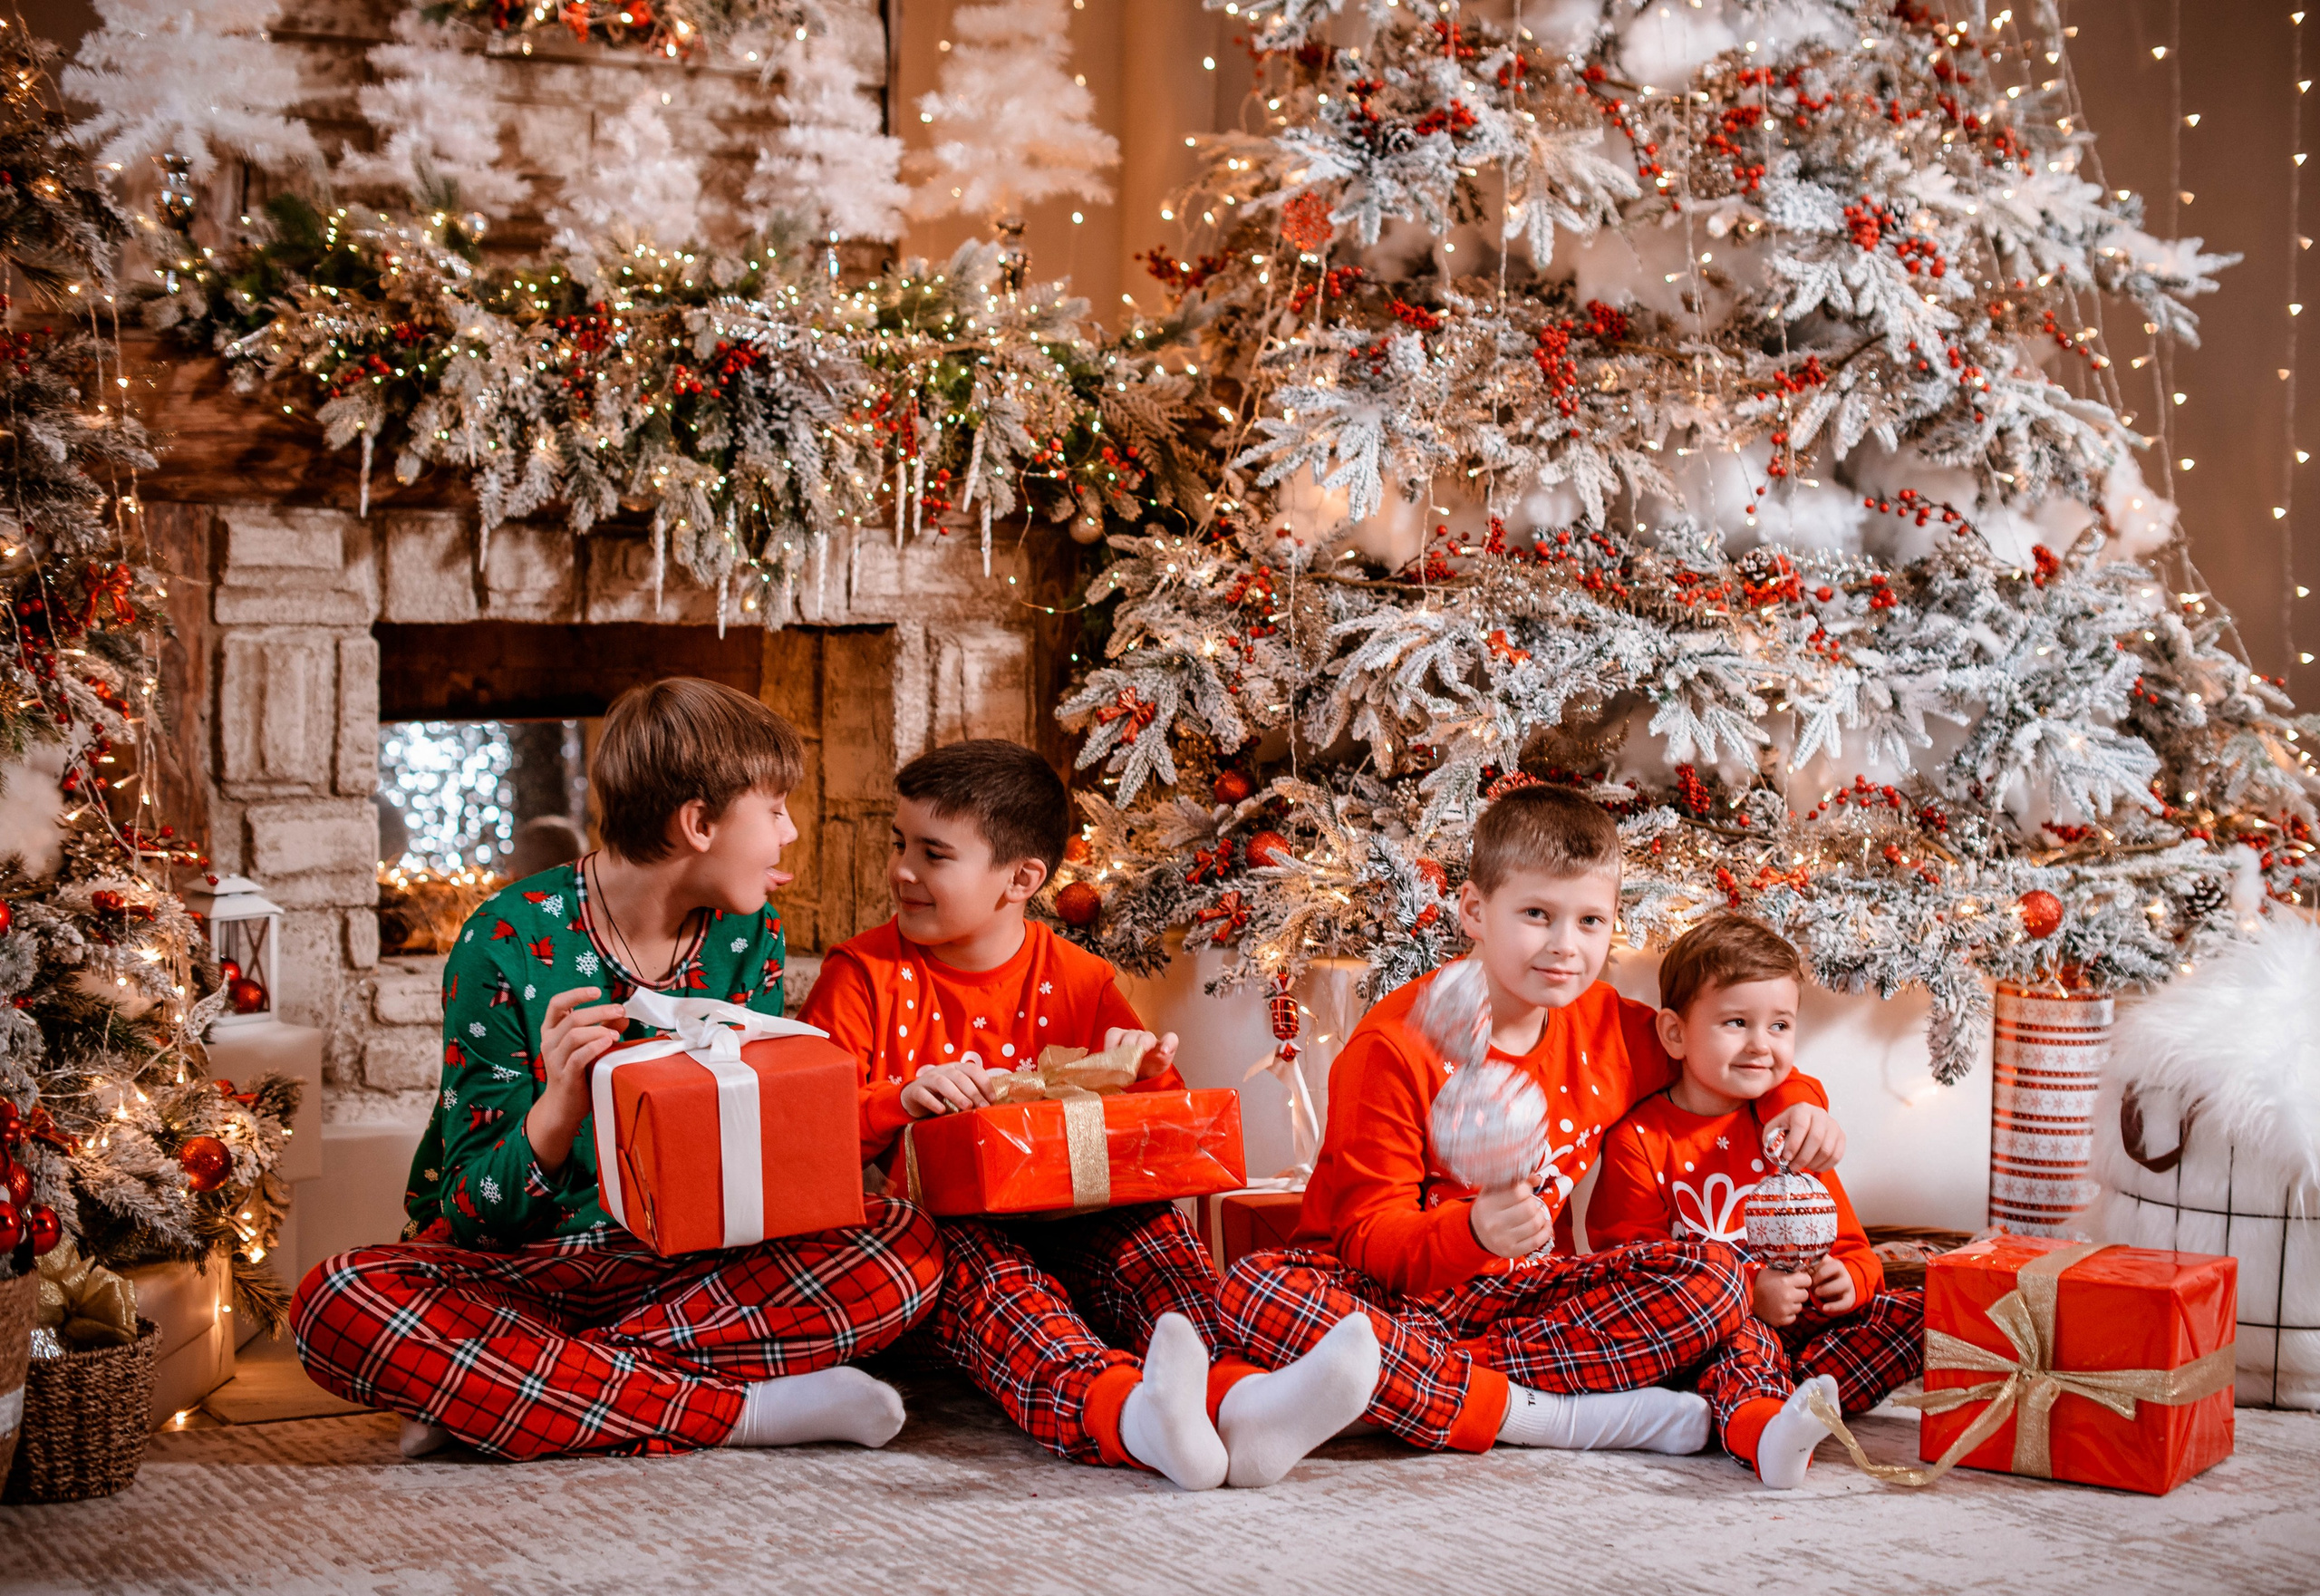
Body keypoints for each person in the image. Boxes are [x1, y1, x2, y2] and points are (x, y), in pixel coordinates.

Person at [292, 678, 944, 1461]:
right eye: (772, 809)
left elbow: (744, 1172)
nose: (791, 831)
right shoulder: (503, 938)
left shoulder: (747, 934)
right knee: (336, 1299)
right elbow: (467, 1210)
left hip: (683, 1279)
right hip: (522, 1274)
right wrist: (556, 1111)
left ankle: (500, 1386)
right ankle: (749, 1412)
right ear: (699, 823)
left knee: (904, 1251)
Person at [800, 739, 1378, 1491]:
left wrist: (1146, 1068)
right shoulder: (862, 976)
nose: (901, 870)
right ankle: (1129, 1418)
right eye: (899, 844)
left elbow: (1165, 1138)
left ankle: (1237, 1399)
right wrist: (898, 1098)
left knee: (1156, 1241)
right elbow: (805, 1140)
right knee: (994, 1274)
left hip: (1072, 1228)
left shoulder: (1078, 977)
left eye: (933, 854)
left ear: (1023, 879)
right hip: (940, 1256)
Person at [1219, 782, 1848, 1456]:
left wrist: (1797, 1099)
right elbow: (1366, 1241)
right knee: (1249, 1291)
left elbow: (1721, 1053)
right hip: (1388, 1298)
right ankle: (1548, 1414)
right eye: (1537, 914)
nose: (1565, 947)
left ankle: (1387, 1390)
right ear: (1474, 910)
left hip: (1527, 1307)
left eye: (1590, 922)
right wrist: (1474, 1228)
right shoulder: (1395, 1046)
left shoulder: (1607, 1026)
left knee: (1719, 1279)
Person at [1587, 914, 1923, 1488]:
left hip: (1806, 1337)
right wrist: (1748, 1296)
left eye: (1780, 1026)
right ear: (1674, 1034)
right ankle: (1765, 1430)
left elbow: (1853, 1247)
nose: (1761, 1046)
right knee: (1745, 1347)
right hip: (1714, 1338)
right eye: (1737, 1022)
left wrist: (1850, 1280)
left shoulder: (1787, 1132)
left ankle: (1801, 1392)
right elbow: (1630, 1274)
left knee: (1921, 1311)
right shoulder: (1641, 1139)